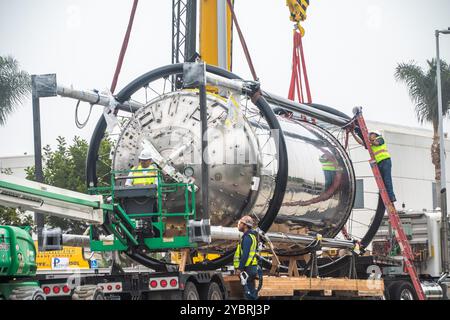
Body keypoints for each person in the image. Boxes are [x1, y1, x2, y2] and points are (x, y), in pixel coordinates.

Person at [234, 215, 259, 300]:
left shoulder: (247, 237)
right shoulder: (252, 236)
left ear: (245, 225)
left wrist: (240, 268)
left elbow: (245, 255)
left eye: (241, 223)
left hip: (247, 268)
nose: (239, 225)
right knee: (251, 291)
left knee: (247, 292)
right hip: (251, 267)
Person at [369, 131, 396, 202]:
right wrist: (354, 134)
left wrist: (369, 140)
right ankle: (384, 198)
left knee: (387, 180)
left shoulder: (380, 139)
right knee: (382, 182)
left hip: (385, 161)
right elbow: (361, 143)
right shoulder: (371, 143)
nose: (369, 135)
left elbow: (376, 143)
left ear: (375, 134)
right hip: (379, 163)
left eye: (371, 134)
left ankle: (391, 197)